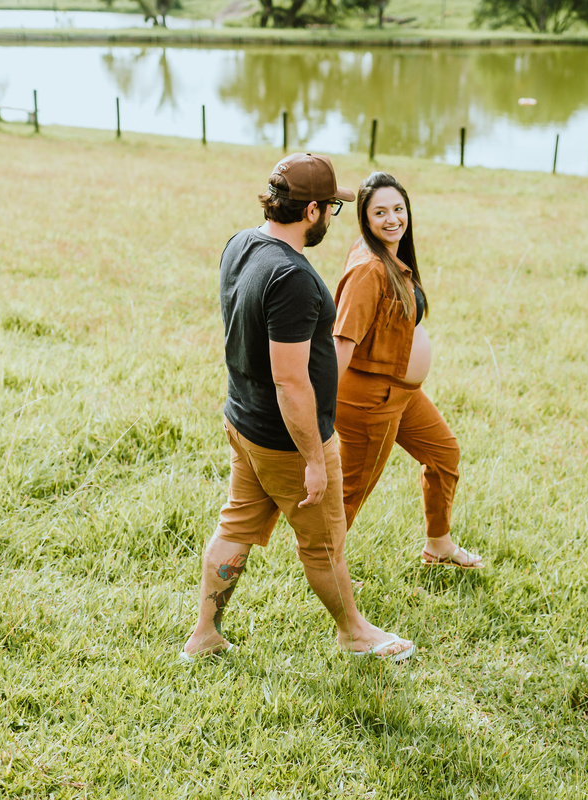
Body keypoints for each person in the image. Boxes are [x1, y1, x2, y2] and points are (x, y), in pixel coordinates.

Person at [180, 154, 415, 662]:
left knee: (235, 525)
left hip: (244, 421)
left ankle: (205, 635)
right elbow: (291, 381)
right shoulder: (292, 278)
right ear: (311, 210)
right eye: (331, 208)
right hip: (286, 439)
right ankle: (353, 632)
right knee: (323, 543)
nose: (332, 217)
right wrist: (314, 458)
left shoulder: (241, 243)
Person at [332, 172, 484, 569]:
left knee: (443, 454)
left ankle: (439, 545)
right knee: (354, 489)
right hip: (370, 399)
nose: (392, 219)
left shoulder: (389, 258)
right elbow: (342, 340)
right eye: (379, 212)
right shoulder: (369, 269)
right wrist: (317, 408)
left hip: (400, 393)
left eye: (398, 209)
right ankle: (323, 564)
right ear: (365, 218)